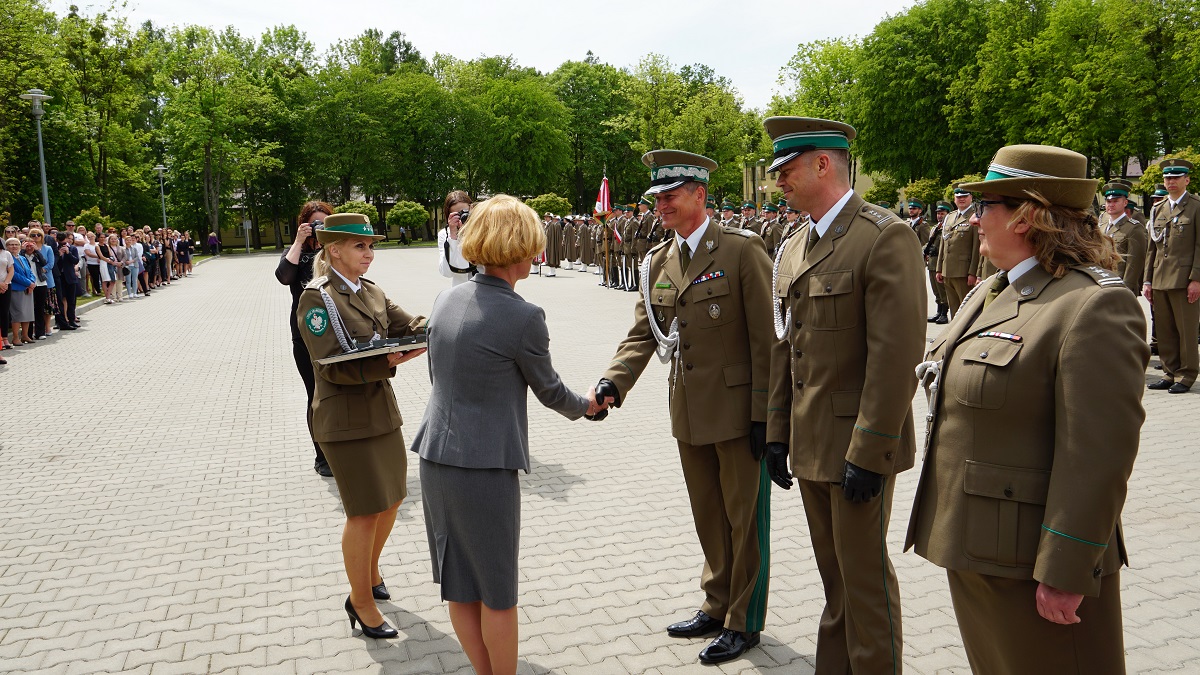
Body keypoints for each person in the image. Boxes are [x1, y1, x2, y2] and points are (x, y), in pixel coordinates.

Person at [907, 144, 1148, 674]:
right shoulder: (992, 291)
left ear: (1027, 215)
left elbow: (1098, 454)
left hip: (1036, 565)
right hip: (978, 545)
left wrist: (1066, 567)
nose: (973, 219)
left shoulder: (1092, 305)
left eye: (984, 205)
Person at [412, 194, 607, 675]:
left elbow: (440, 377)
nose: (536, 254)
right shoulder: (524, 316)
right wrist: (589, 405)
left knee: (458, 583)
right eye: (531, 245)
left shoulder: (445, 299)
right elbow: (551, 392)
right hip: (484, 469)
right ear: (518, 248)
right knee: (498, 592)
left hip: (435, 457)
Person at [594, 150, 774, 665]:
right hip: (690, 410)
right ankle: (717, 603)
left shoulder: (742, 250)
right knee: (708, 515)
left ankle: (744, 619)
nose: (661, 205)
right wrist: (613, 381)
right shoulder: (659, 260)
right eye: (657, 197)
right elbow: (642, 336)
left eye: (671, 196)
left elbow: (769, 341)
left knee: (745, 520)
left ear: (700, 194)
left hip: (740, 414)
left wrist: (769, 416)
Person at [764, 117, 924, 674]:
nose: (776, 181)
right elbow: (788, 348)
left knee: (864, 583)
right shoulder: (794, 246)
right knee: (835, 580)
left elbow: (896, 358)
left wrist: (872, 449)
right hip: (810, 442)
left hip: (857, 447)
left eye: (785, 170)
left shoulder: (883, 236)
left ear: (822, 164)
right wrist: (776, 432)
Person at [295, 212, 428, 640]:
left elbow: (410, 324)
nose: (369, 254)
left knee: (390, 502)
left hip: (381, 413)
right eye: (360, 246)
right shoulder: (317, 298)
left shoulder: (371, 292)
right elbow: (329, 364)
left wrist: (451, 321)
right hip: (344, 419)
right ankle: (361, 602)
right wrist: (386, 361)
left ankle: (369, 574)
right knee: (363, 511)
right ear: (334, 250)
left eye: (371, 246)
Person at [276, 200, 334, 477]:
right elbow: (283, 276)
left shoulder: (335, 251)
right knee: (315, 395)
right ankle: (321, 456)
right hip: (305, 334)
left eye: (324, 222)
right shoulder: (296, 253)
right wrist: (299, 241)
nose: (318, 227)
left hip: (336, 332)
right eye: (314, 223)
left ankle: (341, 450)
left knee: (337, 392)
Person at [1144, 158, 1199, 394]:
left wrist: (1196, 279)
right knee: (1164, 330)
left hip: (1184, 278)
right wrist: (1147, 280)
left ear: (1187, 180)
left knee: (1186, 331)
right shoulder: (1158, 208)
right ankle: (1169, 372)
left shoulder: (1196, 206)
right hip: (1160, 278)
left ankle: (1186, 375)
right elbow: (1151, 248)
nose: (1171, 182)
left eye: (1176, 177)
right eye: (1167, 178)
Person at [937, 185, 981, 317]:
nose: (961, 199)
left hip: (963, 272)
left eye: (964, 196)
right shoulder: (950, 216)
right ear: (954, 199)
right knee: (953, 308)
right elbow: (943, 244)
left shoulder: (975, 216)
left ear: (971, 198)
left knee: (966, 309)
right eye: (958, 197)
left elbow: (976, 247)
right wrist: (939, 268)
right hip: (947, 270)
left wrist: (973, 272)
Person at [1098, 181, 1147, 294]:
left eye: (1115, 201)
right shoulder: (1101, 227)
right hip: (1102, 283)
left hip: (1120, 284)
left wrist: (1127, 287)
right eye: (1108, 201)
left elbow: (1135, 262)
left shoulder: (1133, 228)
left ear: (1125, 203)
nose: (1111, 204)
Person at [438, 190, 475, 286]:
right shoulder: (445, 234)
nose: (463, 216)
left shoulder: (482, 230)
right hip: (460, 291)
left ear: (471, 208)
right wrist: (453, 238)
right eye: (457, 215)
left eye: (465, 212)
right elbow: (446, 272)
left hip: (485, 290)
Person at [925, 202, 952, 324]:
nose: (939, 216)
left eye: (942, 213)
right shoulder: (935, 228)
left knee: (942, 290)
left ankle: (944, 313)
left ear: (947, 214)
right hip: (932, 262)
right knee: (935, 290)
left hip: (940, 262)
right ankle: (938, 311)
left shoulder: (948, 228)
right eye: (938, 213)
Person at [7, 238, 36, 346]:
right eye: (11, 244)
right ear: (7, 246)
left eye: (16, 244)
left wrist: (32, 283)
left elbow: (30, 272)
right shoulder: (9, 258)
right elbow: (14, 275)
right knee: (18, 313)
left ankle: (25, 335)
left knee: (27, 313)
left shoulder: (23, 258)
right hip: (17, 287)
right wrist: (29, 283)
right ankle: (15, 337)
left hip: (28, 288)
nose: (14, 246)